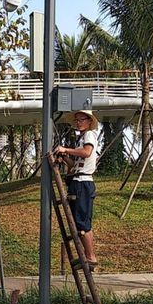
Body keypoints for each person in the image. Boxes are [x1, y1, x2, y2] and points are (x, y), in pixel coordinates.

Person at [54, 110, 99, 269]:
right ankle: (86, 255)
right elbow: (75, 165)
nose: (79, 123)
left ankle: (90, 257)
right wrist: (65, 157)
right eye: (77, 120)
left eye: (82, 120)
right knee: (77, 222)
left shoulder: (89, 135)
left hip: (83, 182)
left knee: (82, 222)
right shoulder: (81, 138)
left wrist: (66, 150)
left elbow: (87, 153)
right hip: (76, 180)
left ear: (88, 121)